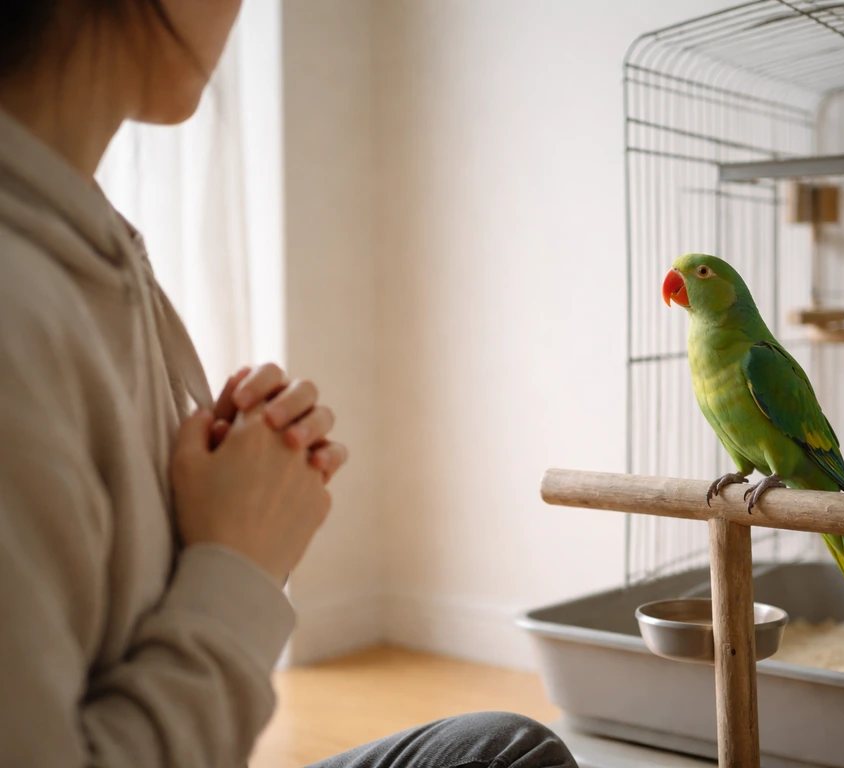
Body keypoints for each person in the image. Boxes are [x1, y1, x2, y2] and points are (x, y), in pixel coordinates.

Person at [0, 2, 578, 766]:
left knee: (507, 750)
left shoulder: (92, 240)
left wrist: (227, 507)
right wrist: (238, 566)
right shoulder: (22, 301)